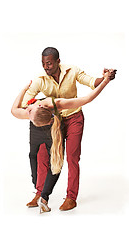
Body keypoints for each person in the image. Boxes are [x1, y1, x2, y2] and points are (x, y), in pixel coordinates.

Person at [21, 47, 116, 211]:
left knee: (72, 157)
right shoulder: (40, 80)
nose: (46, 67)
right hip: (52, 123)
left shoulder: (73, 71)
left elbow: (92, 82)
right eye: (43, 64)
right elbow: (25, 102)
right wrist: (41, 105)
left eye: (49, 63)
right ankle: (40, 193)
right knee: (43, 156)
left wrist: (106, 77)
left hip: (74, 119)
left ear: (58, 61)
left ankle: (71, 197)